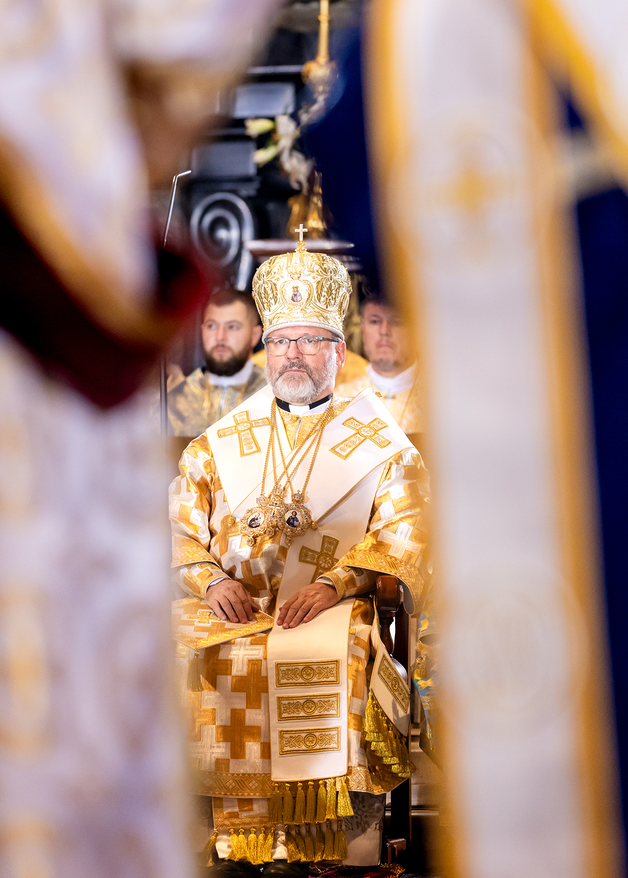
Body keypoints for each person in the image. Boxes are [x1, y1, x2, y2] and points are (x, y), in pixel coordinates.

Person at [170, 239, 428, 872]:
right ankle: (221, 844)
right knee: (174, 652)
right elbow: (177, 530)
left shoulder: (382, 445)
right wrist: (209, 582)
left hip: (329, 608)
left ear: (338, 352)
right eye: (282, 341)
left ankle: (328, 844)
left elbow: (406, 531)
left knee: (337, 654)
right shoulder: (217, 444)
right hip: (230, 608)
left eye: (310, 340)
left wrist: (337, 584)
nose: (293, 353)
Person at [168, 290, 266, 438]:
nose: (220, 337)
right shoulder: (175, 400)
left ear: (255, 335)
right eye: (212, 326)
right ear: (202, 331)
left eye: (232, 327)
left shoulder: (275, 396)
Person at [336, 297, 423, 436]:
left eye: (397, 322)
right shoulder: (338, 400)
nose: (384, 331)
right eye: (375, 321)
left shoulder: (441, 399)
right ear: (362, 327)